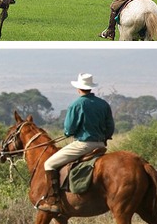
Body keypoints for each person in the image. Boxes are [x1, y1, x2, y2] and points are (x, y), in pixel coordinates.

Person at [35, 73, 114, 213]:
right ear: (91, 88)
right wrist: (104, 138)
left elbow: (69, 128)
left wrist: (68, 133)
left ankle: (53, 201)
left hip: (83, 144)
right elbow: (110, 128)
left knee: (49, 164)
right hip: (101, 145)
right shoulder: (103, 104)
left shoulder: (77, 104)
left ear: (79, 88)